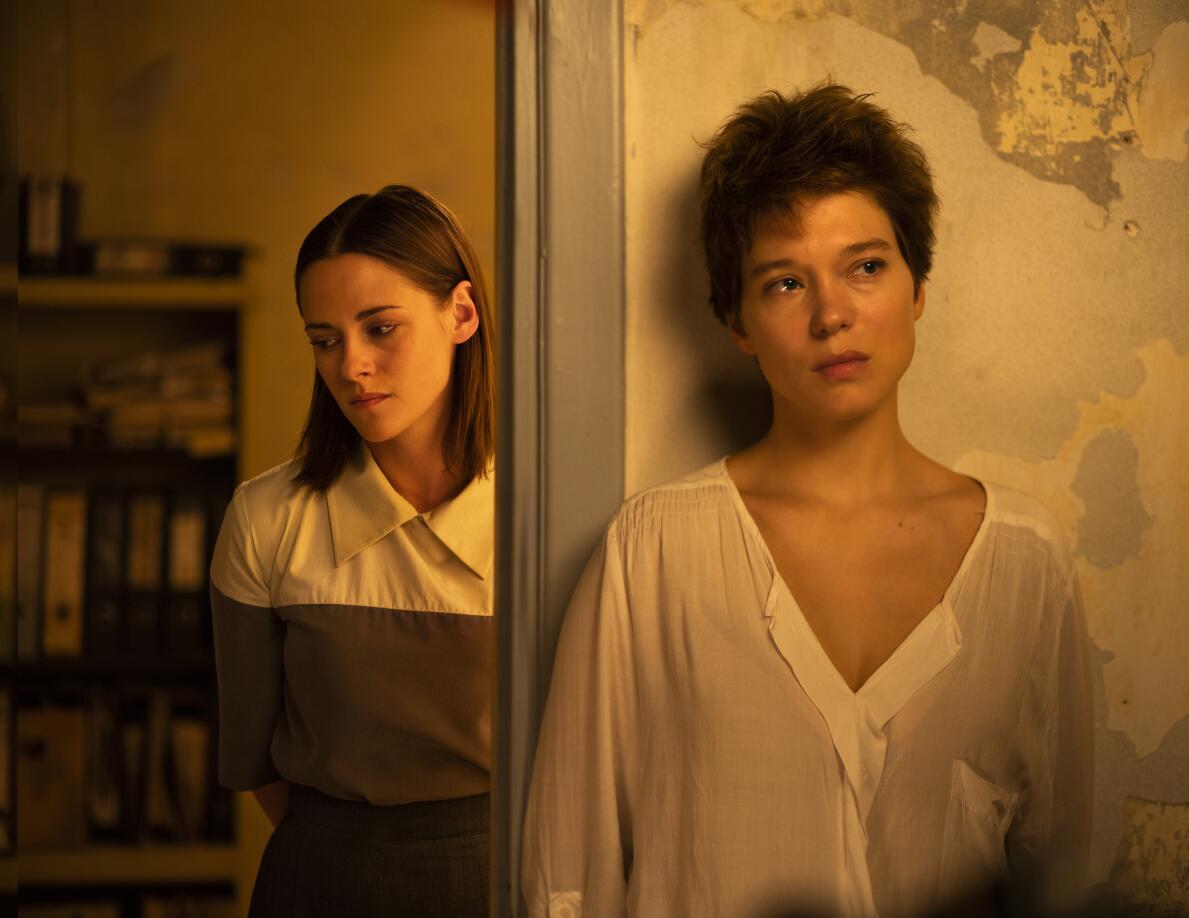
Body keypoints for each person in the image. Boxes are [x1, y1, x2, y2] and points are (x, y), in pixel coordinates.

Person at [522, 84, 1093, 917]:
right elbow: (566, 882)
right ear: (739, 323)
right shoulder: (653, 552)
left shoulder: (1025, 562)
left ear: (917, 288)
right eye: (786, 283)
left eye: (866, 267)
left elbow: (1060, 869)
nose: (834, 315)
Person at [210, 185, 495, 916]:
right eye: (325, 339)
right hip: (320, 881)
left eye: (381, 328)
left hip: (507, 874)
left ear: (460, 313)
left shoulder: (545, 518)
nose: (351, 366)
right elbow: (252, 753)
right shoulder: (266, 518)